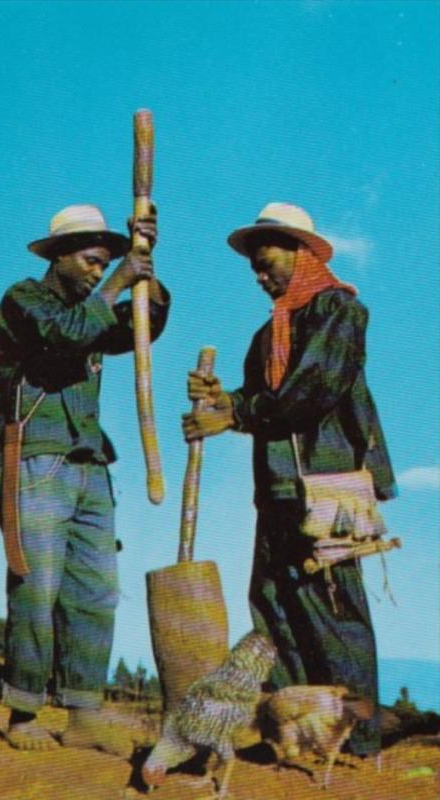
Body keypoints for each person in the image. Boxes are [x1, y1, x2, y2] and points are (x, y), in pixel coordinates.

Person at [183, 202, 396, 756]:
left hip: (329, 488)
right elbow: (262, 405)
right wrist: (220, 401)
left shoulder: (339, 313)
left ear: (300, 255)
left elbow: (310, 393)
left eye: (266, 262)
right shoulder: (266, 337)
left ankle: (357, 740)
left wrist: (236, 412)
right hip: (278, 488)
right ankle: (291, 737)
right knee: (275, 603)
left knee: (333, 608)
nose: (259, 276)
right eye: (253, 267)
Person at [0, 203, 170, 750]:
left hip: (89, 465)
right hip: (35, 459)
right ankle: (24, 713)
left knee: (95, 591)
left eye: (103, 262)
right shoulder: (24, 301)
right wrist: (118, 280)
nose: (95, 270)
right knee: (37, 586)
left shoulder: (97, 309)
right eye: (89, 260)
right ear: (59, 255)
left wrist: (147, 263)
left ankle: (83, 711)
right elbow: (62, 336)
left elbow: (144, 327)